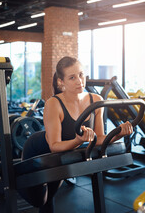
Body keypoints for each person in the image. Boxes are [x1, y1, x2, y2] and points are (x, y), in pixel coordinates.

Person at [21, 56, 133, 213]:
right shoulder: (54, 103)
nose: (79, 81)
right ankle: (9, 181)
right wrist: (78, 140)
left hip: (65, 153)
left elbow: (99, 137)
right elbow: (54, 146)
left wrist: (118, 134)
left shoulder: (96, 100)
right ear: (61, 82)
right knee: (39, 200)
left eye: (81, 74)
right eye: (72, 77)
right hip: (38, 150)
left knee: (48, 198)